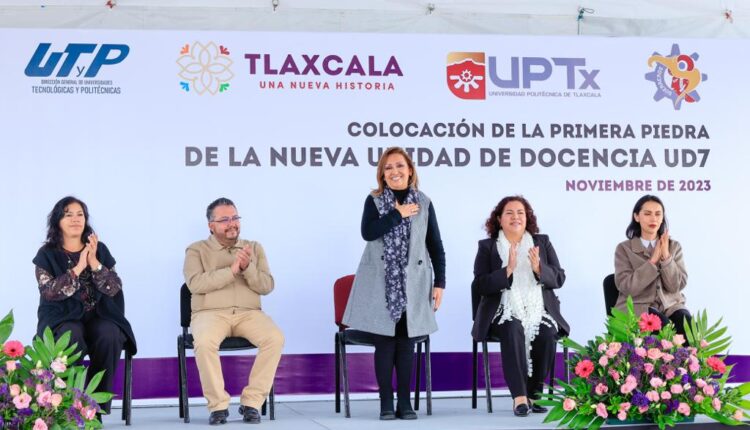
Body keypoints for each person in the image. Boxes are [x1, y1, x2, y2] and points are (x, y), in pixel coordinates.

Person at [342, 147, 446, 420]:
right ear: (382, 174)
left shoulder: (424, 202)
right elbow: (368, 232)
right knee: (385, 342)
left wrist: (440, 283)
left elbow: (435, 245)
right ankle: (386, 401)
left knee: (406, 343)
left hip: (414, 283)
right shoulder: (375, 200)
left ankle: (405, 401)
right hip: (381, 283)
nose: (394, 171)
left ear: (410, 170)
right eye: (388, 168)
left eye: (400, 166)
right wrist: (397, 214)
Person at [183, 197, 284, 425]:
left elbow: (266, 286)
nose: (232, 224)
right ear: (211, 225)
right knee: (204, 342)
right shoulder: (196, 250)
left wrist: (248, 268)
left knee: (275, 338)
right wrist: (232, 270)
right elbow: (195, 284)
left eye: (235, 218)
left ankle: (252, 403)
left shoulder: (254, 248)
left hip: (249, 313)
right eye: (224, 220)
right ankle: (218, 406)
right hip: (210, 314)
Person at [33, 196, 137, 415]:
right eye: (68, 215)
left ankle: (94, 410)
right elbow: (50, 292)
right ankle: (66, 408)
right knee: (71, 334)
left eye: (80, 214)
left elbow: (114, 288)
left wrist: (94, 263)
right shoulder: (46, 254)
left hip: (98, 316)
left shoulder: (100, 249)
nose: (75, 219)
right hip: (62, 318)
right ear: (57, 221)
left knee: (110, 333)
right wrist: (79, 267)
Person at [470, 196, 569, 417]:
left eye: (520, 213)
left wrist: (539, 268)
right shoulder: (487, 247)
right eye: (509, 213)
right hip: (502, 310)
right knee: (512, 328)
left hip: (538, 309)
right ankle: (520, 396)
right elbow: (480, 285)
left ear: (527, 218)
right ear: (499, 219)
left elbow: (559, 278)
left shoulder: (542, 242)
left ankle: (534, 394)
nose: (515, 217)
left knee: (547, 333)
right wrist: (507, 271)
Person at [614, 194, 690, 336]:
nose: (653, 219)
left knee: (688, 327)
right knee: (663, 327)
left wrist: (666, 257)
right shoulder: (624, 249)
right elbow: (627, 287)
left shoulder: (674, 247)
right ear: (637, 217)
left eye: (658, 214)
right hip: (638, 307)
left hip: (670, 306)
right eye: (647, 214)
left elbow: (676, 286)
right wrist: (652, 261)